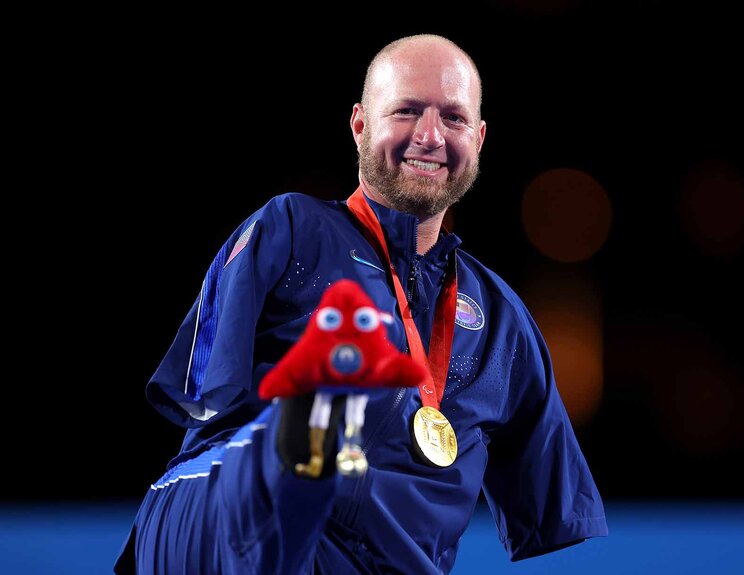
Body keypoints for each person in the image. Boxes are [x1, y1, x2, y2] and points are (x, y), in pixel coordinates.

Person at [115, 33, 608, 574]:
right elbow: (204, 406)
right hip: (230, 530)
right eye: (406, 111)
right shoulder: (291, 230)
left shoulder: (502, 322)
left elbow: (552, 506)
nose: (429, 135)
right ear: (359, 125)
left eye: (454, 118)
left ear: (480, 138)